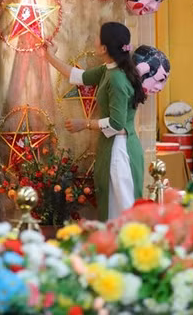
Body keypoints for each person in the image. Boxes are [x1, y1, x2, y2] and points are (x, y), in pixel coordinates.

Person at [44, 22, 146, 220]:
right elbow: (78, 76)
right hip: (114, 146)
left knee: (124, 212)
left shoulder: (116, 79)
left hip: (120, 149)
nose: (94, 40)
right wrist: (50, 56)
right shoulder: (109, 70)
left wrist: (85, 124)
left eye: (98, 37)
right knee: (116, 209)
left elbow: (117, 124)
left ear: (104, 48)